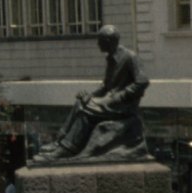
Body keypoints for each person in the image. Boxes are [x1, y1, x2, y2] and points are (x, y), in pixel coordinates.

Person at [35, 25, 149, 161]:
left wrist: (120, 97)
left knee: (86, 111)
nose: (97, 44)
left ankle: (67, 149)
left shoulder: (130, 57)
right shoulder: (111, 59)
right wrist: (91, 95)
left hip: (122, 106)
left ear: (108, 41)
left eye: (100, 40)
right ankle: (60, 141)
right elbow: (106, 85)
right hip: (109, 101)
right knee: (80, 102)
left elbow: (142, 82)